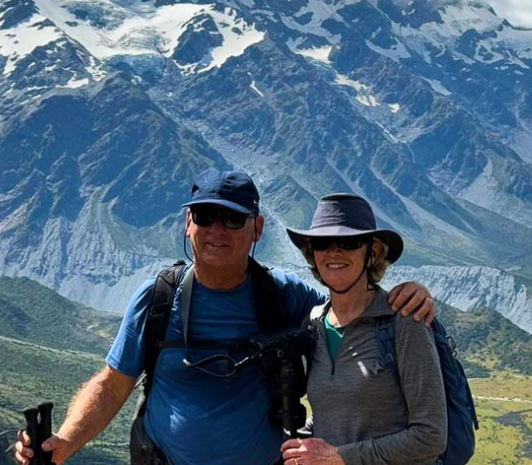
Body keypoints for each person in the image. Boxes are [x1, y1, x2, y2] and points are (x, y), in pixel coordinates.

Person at [15, 169, 436, 465]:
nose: (218, 229)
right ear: (187, 224)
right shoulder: (157, 299)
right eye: (205, 215)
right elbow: (111, 386)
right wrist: (65, 441)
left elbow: (353, 301)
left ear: (256, 229)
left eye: (233, 218)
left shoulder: (284, 297)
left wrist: (414, 295)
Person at [281, 193, 447, 465]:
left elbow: (430, 437)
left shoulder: (403, 320)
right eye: (322, 243)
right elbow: (335, 415)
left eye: (348, 241)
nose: (334, 251)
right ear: (313, 254)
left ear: (373, 253)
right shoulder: (314, 325)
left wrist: (339, 457)